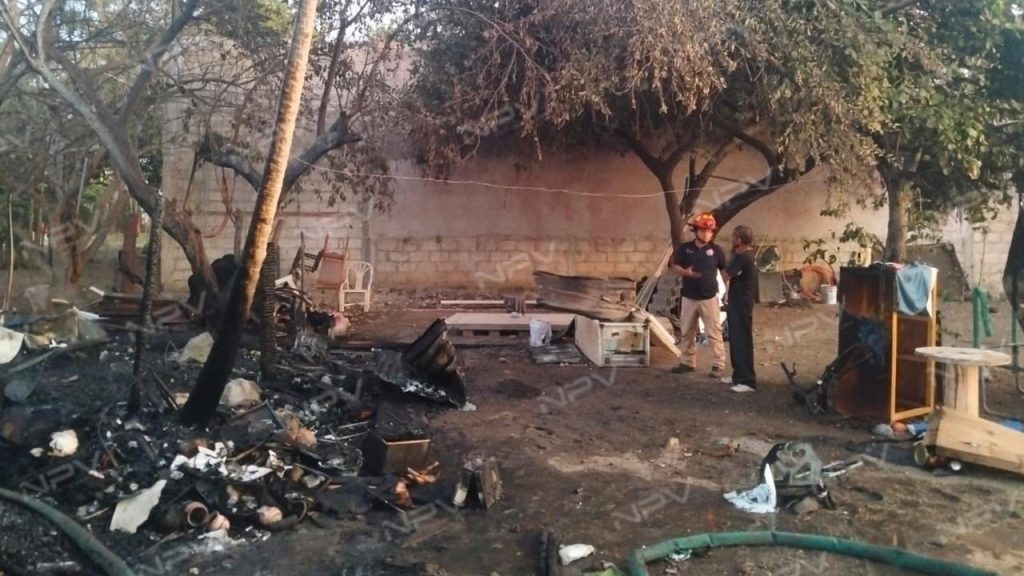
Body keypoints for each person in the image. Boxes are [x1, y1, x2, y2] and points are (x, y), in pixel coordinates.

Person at [670, 213, 727, 376]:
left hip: (709, 298)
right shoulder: (685, 249)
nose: (707, 234)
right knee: (687, 331)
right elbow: (675, 266)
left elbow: (725, 272)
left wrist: (728, 291)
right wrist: (686, 273)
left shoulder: (717, 250)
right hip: (689, 297)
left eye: (710, 231)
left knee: (714, 332)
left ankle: (718, 364)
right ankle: (687, 362)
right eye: (703, 230)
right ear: (696, 231)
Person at [723, 225, 758, 392]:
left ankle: (747, 381)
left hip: (741, 303)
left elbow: (726, 274)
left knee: (742, 340)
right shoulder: (746, 256)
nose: (731, 238)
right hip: (738, 301)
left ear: (739, 239)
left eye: (733, 236)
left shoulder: (743, 257)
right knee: (735, 339)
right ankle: (737, 375)